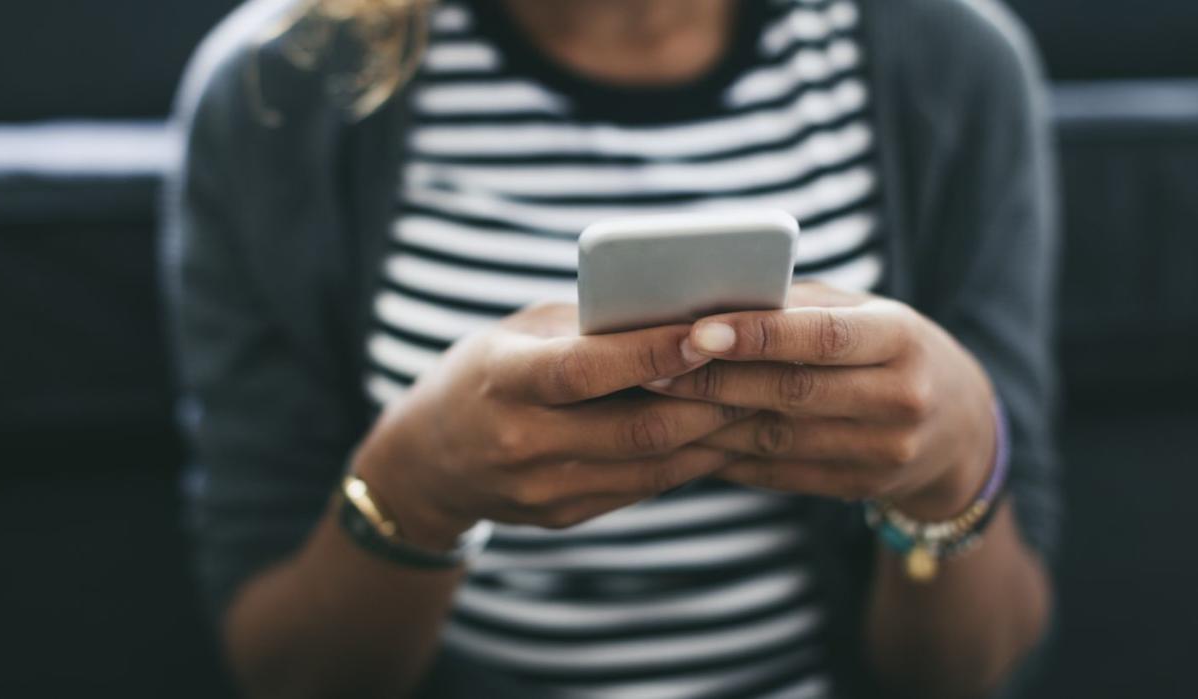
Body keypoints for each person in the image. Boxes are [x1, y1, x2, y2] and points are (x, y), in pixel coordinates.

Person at [165, 0, 1059, 696]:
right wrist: (416, 486)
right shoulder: (280, 89)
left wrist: (957, 469)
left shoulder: (952, 64)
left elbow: (977, 668)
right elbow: (287, 672)